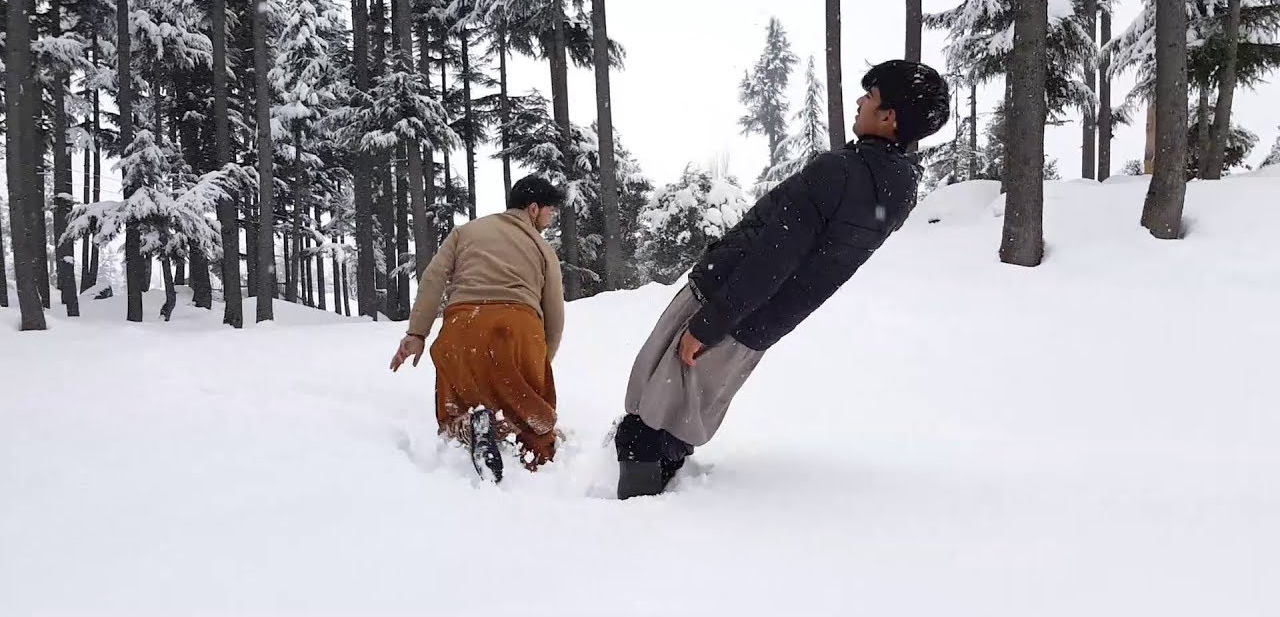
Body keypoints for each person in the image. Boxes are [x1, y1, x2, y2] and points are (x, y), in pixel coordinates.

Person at [614, 59, 951, 499]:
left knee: (649, 418)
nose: (859, 101)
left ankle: (631, 521)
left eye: (869, 96)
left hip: (722, 302)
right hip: (763, 323)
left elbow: (772, 259)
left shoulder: (839, 173)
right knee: (684, 412)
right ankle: (665, 492)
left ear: (889, 117)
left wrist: (706, 326)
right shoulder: (901, 186)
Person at [390, 174, 567, 482]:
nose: (551, 219)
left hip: (460, 328)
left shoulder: (465, 232)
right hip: (517, 327)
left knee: (456, 402)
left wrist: (417, 333)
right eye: (551, 210)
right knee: (531, 415)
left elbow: (433, 279)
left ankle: (470, 425)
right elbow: (554, 313)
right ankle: (524, 452)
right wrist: (539, 361)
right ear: (534, 209)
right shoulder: (541, 248)